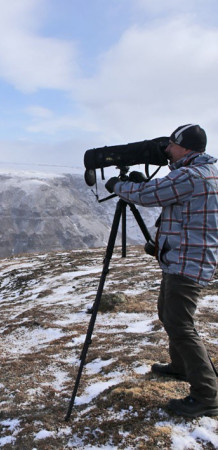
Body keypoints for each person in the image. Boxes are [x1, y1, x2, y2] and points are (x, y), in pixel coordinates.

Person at [105, 124, 218, 418]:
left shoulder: (191, 176)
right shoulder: (207, 171)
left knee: (181, 325)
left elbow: (148, 196)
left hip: (187, 261)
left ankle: (207, 395)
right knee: (168, 314)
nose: (167, 148)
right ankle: (181, 366)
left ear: (187, 148)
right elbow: (176, 205)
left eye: (171, 144)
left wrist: (118, 186)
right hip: (184, 256)